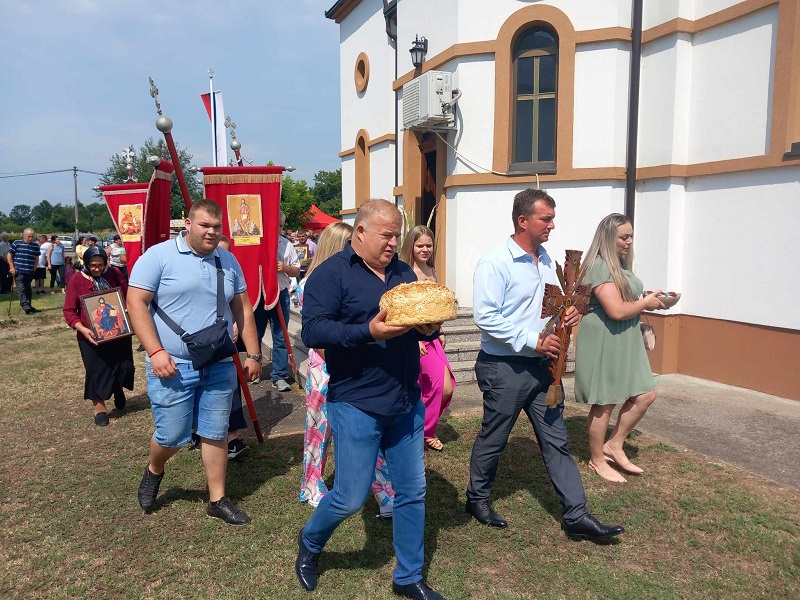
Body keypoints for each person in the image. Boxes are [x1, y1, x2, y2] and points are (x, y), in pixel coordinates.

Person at [295, 199, 443, 600]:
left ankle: (408, 576)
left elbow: (415, 328)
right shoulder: (331, 274)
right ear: (360, 231)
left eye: (397, 234)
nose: (395, 242)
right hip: (357, 399)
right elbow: (314, 331)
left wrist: (428, 326)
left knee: (412, 490)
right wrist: (368, 332)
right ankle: (309, 543)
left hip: (404, 398)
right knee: (349, 495)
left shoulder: (401, 273)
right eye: (387, 235)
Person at [466, 188, 625, 542]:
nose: (552, 225)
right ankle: (476, 499)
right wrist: (533, 339)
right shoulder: (496, 262)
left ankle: (577, 516)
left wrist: (567, 313)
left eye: (552, 218)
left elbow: (551, 304)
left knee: (557, 440)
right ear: (522, 221)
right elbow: (486, 317)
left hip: (543, 370)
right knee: (495, 437)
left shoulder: (545, 258)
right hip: (504, 367)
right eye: (546, 219)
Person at [127, 199, 262, 524]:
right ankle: (154, 468)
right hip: (173, 363)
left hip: (218, 361)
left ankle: (217, 499)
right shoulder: (159, 257)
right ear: (187, 224)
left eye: (217, 227)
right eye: (205, 225)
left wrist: (253, 353)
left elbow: (242, 307)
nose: (211, 232)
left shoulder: (228, 260)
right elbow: (136, 302)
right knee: (173, 435)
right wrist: (156, 351)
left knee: (216, 430)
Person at [296, 221, 395, 517]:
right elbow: (320, 334)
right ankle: (311, 486)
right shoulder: (312, 284)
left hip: (356, 364)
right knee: (319, 430)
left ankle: (384, 492)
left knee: (366, 431)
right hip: (325, 367)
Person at [574, 213, 666, 483]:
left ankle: (614, 445)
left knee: (645, 393)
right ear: (608, 238)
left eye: (631, 236)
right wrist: (646, 303)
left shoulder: (622, 266)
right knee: (605, 402)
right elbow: (614, 310)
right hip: (605, 338)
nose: (629, 242)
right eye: (623, 237)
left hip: (625, 336)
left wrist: (645, 303)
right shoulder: (599, 267)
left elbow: (626, 303)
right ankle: (597, 460)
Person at [63, 246, 134, 426]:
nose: (96, 268)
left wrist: (126, 309)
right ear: (86, 264)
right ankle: (99, 408)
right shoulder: (76, 280)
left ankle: (117, 388)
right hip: (91, 336)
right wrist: (82, 329)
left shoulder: (115, 273)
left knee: (123, 365)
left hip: (118, 332)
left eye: (100, 265)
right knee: (96, 371)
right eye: (92, 265)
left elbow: (126, 295)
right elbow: (69, 311)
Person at [399, 225, 455, 452]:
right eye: (420, 245)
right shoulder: (403, 272)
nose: (425, 249)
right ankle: (422, 432)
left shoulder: (432, 270)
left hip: (433, 338)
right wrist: (414, 340)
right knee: (435, 388)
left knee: (446, 386)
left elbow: (435, 309)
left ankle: (421, 430)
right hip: (414, 341)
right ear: (410, 245)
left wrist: (439, 330)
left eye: (428, 245)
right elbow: (404, 311)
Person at [253, 210, 300, 390]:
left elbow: (296, 270)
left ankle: (279, 375)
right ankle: (255, 369)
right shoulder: (257, 243)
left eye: (281, 226)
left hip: (280, 293)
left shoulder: (286, 245)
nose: (279, 229)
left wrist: (285, 267)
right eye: (276, 225)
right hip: (260, 294)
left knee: (280, 336)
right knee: (255, 334)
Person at [7, 228, 41, 314]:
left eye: (32, 237)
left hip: (29, 271)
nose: (30, 238)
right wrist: (12, 267)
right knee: (21, 289)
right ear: (24, 235)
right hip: (19, 271)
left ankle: (29, 306)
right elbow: (9, 255)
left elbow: (37, 258)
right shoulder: (16, 243)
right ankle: (25, 306)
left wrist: (34, 267)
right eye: (29, 236)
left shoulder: (35, 246)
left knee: (28, 289)